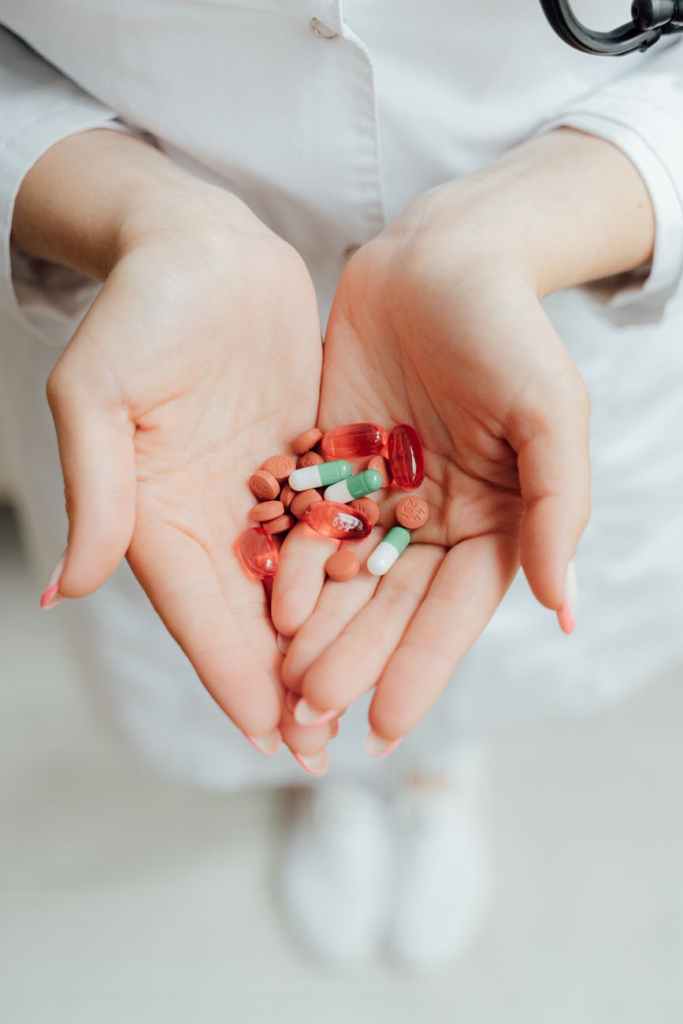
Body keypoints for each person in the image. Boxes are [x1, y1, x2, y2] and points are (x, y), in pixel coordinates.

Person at [0, 2, 681, 965]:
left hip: (546, 290)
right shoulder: (329, 488)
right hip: (157, 318)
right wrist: (123, 208)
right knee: (283, 655)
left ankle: (432, 774)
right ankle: (326, 783)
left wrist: (565, 200)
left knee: (464, 638)